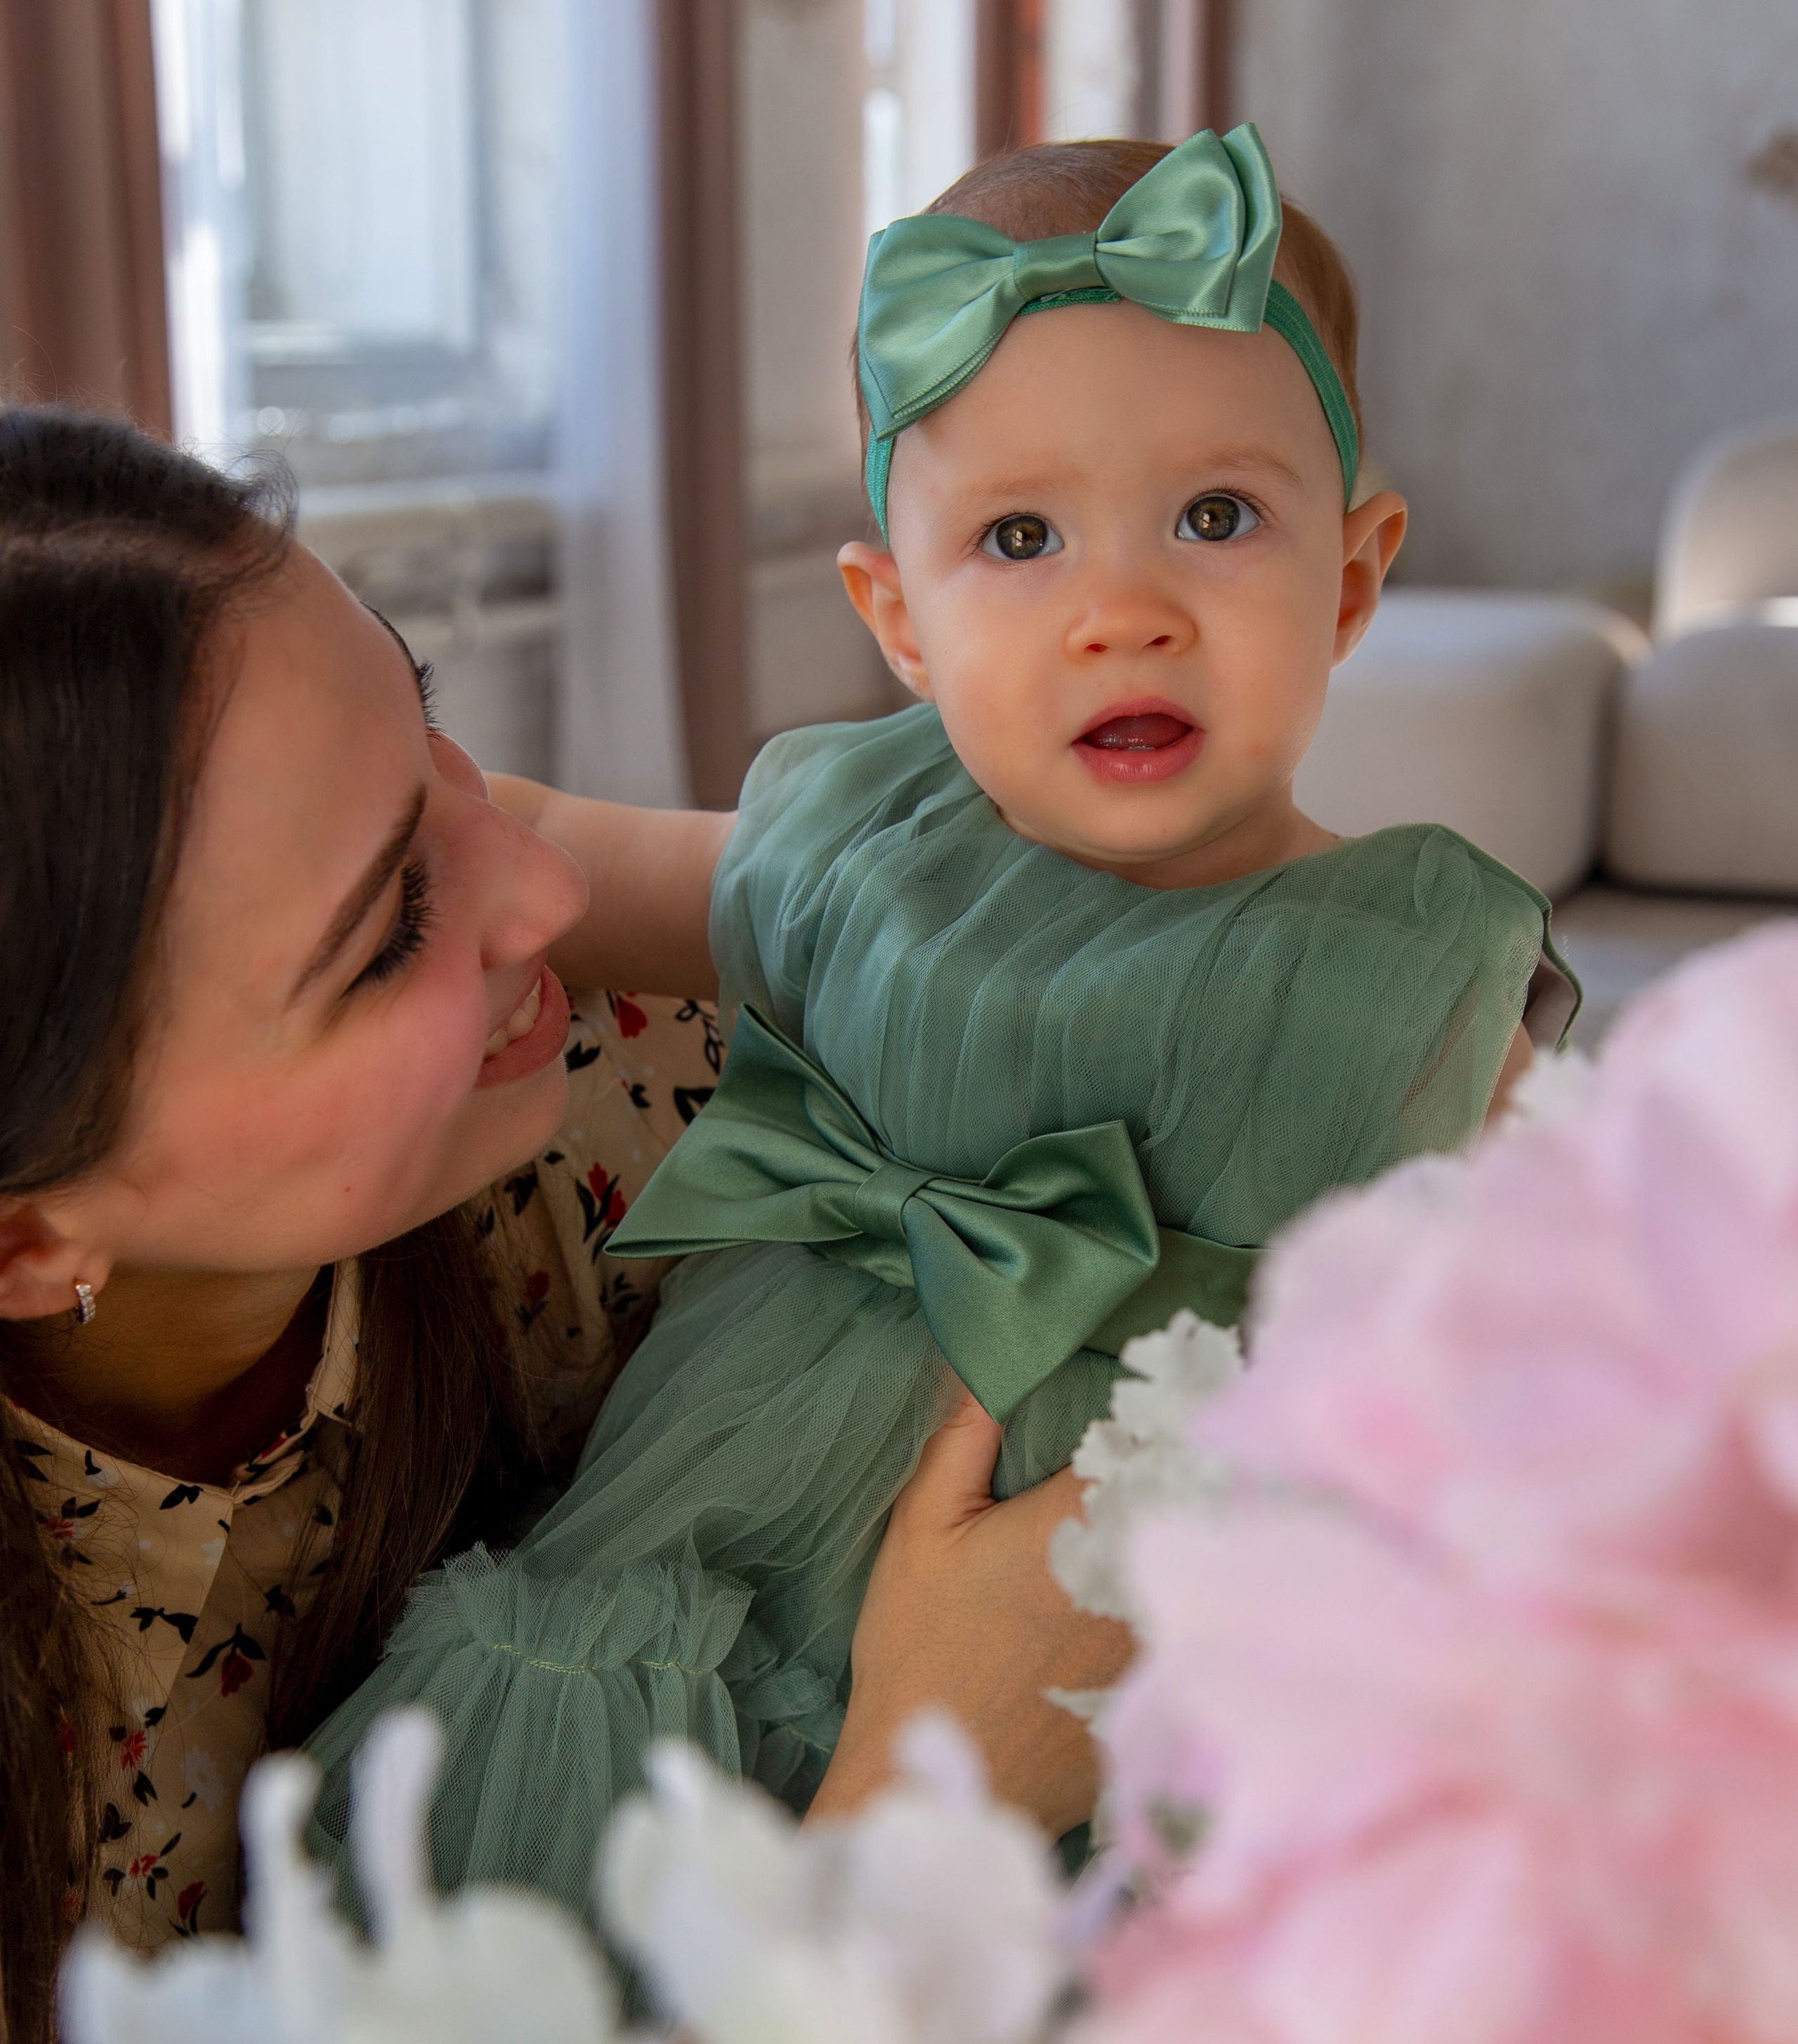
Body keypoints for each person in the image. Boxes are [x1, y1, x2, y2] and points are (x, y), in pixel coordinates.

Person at [303, 126, 1577, 1907]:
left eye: (1216, 518)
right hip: (708, 1545)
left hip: (1116, 1655)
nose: (1119, 613)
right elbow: (552, 852)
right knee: (549, 1953)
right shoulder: (856, 840)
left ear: (1351, 578)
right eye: (1018, 538)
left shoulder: (1403, 964)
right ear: (895, 621)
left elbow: (1566, 1318)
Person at [0, 410, 1126, 2044]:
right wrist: (903, 1809)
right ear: (28, 1235)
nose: (542, 883)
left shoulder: (619, 1107)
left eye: (434, 733)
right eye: (384, 937)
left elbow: (1132, 987)